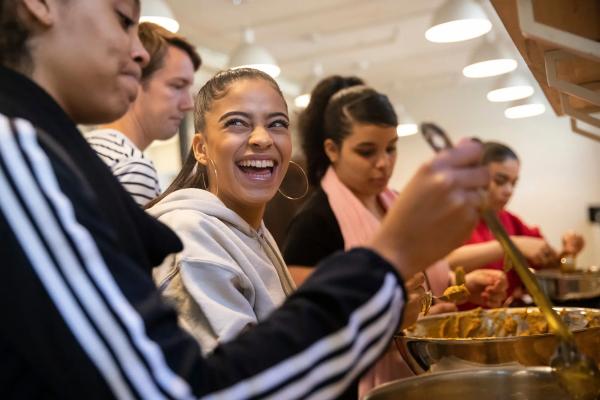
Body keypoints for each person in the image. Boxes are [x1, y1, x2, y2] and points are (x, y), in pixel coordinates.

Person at [0, 1, 489, 399]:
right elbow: (186, 389)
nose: (139, 52)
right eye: (124, 20)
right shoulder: (20, 155)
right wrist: (390, 256)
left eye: (277, 124)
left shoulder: (250, 228)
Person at [283, 76, 507, 398]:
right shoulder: (315, 223)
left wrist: (460, 289)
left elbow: (415, 289)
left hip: (416, 375)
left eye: (391, 148)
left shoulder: (396, 203)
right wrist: (393, 322)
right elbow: (310, 333)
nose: (383, 163)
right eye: (366, 152)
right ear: (332, 149)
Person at [145, 68, 298, 353]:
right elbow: (238, 376)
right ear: (201, 148)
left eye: (277, 123)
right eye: (237, 123)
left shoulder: (251, 231)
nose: (262, 138)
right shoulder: (190, 234)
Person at [447, 141, 584, 307]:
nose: (509, 190)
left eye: (513, 183)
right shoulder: (452, 219)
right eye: (500, 181)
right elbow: (443, 264)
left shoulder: (509, 220)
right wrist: (511, 245)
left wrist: (567, 254)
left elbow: (547, 260)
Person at [86, 22, 200, 206]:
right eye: (177, 86)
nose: (188, 104)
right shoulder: (132, 167)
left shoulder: (88, 148)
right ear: (133, 79)